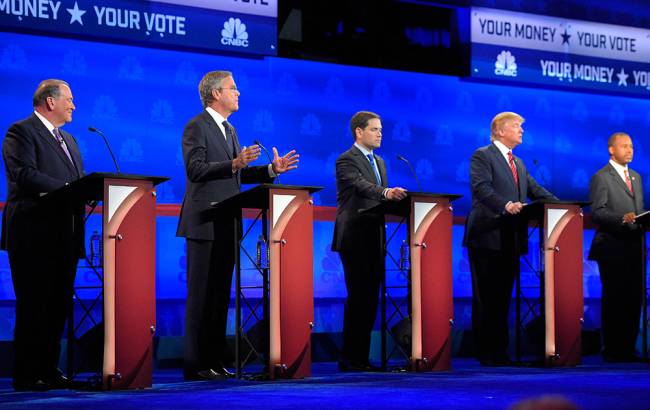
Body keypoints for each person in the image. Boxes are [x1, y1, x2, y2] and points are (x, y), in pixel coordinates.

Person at [176, 70, 299, 380]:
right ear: (216, 93)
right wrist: (233, 163)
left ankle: (215, 361)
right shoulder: (197, 126)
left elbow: (237, 175)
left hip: (226, 221)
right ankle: (196, 364)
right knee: (202, 295)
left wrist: (271, 169)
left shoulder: (229, 129)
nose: (238, 93)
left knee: (219, 296)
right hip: (204, 221)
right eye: (232, 88)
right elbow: (196, 169)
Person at [2, 79, 85, 390]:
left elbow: (76, 182)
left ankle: (49, 368)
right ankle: (27, 373)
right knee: (34, 303)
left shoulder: (70, 141)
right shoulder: (20, 132)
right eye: (69, 99)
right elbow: (23, 174)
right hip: (32, 232)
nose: (73, 105)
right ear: (50, 102)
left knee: (58, 304)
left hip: (65, 234)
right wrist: (68, 190)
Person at [463, 111, 557, 366]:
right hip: (487, 235)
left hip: (510, 238)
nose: (521, 130)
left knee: (503, 297)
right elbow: (481, 189)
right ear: (500, 130)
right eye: (517, 126)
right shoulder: (482, 155)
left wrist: (565, 207)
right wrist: (505, 205)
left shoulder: (519, 163)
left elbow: (536, 190)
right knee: (487, 298)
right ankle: (487, 353)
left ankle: (500, 352)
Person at [332, 111, 407, 371]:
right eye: (374, 129)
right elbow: (360, 186)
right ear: (359, 132)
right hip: (354, 236)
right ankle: (350, 358)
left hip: (375, 235)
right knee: (358, 297)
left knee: (371, 298)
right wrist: (385, 192)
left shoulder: (382, 162)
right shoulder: (346, 160)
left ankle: (361, 357)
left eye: (381, 130)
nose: (380, 134)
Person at [588, 132, 644, 362]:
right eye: (624, 146)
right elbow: (598, 212)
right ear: (612, 150)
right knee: (615, 298)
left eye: (631, 146)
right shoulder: (601, 177)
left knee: (634, 298)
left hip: (634, 246)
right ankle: (612, 349)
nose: (629, 150)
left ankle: (629, 348)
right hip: (612, 246)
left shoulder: (637, 177)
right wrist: (623, 218)